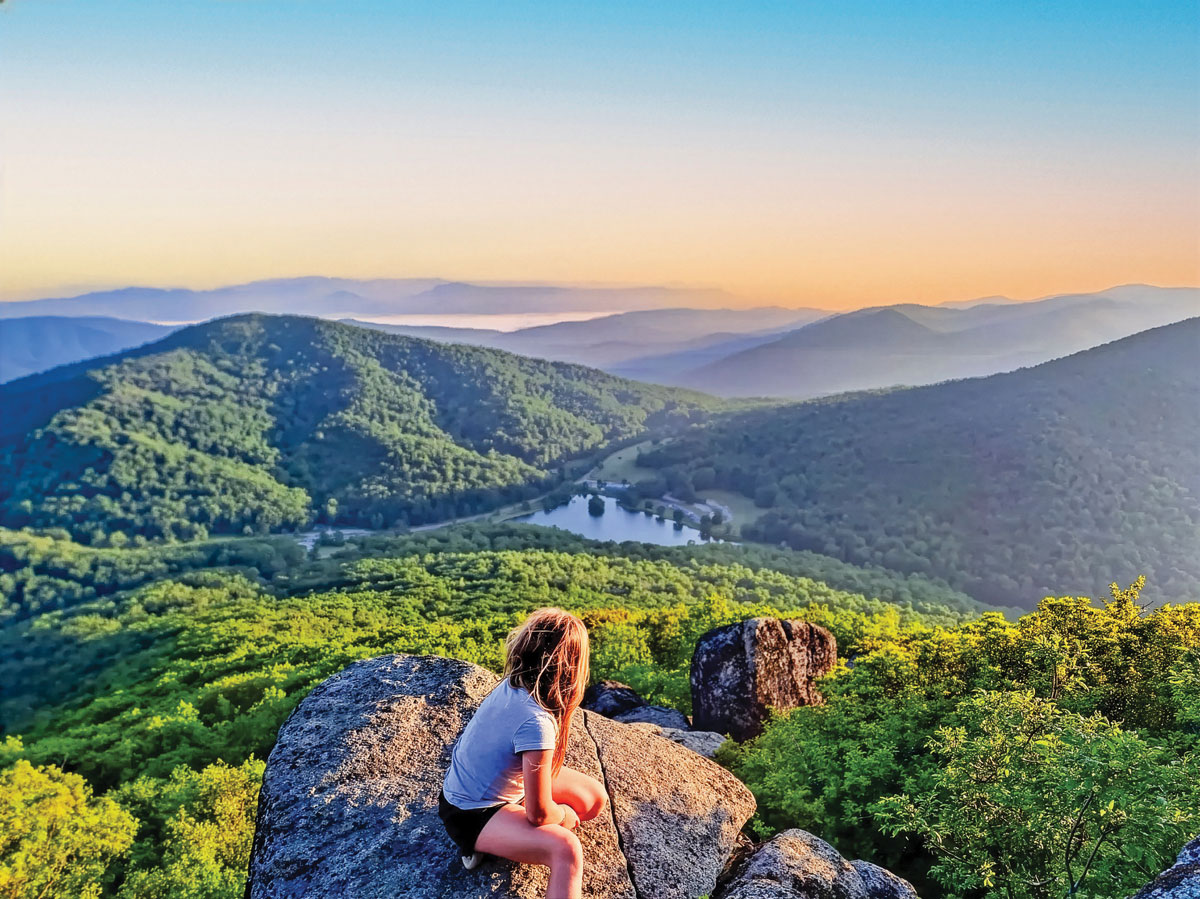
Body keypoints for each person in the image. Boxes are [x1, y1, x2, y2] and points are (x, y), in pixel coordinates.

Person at [439, 607, 607, 899]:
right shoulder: (536, 722)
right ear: (573, 668)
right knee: (566, 850)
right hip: (471, 813)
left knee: (594, 800)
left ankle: (506, 839)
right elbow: (540, 815)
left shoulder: (516, 684)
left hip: (503, 788)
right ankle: (478, 844)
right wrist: (563, 815)